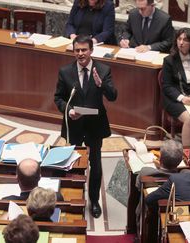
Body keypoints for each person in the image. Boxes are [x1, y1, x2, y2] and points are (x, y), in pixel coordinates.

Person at [54, 35, 117, 218]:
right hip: (74, 124)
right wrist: (69, 110)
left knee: (95, 165)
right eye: (77, 50)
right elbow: (58, 98)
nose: (80, 54)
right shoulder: (65, 71)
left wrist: (101, 85)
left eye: (84, 50)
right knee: (73, 163)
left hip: (94, 126)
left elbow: (113, 96)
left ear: (91, 50)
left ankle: (94, 200)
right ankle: (75, 198)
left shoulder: (103, 70)